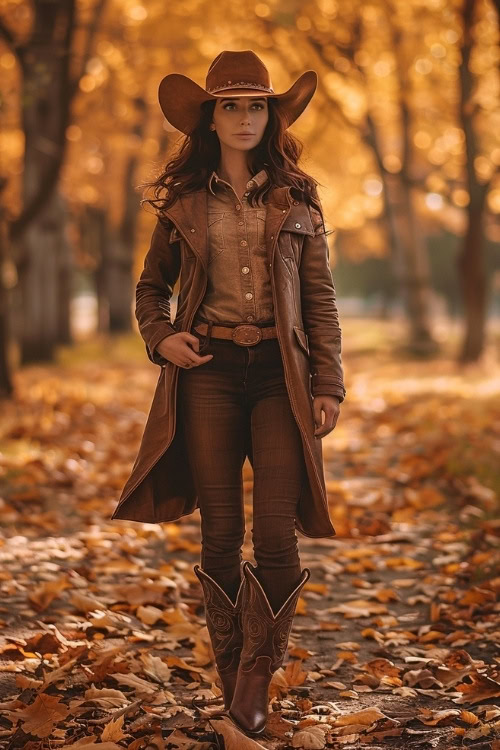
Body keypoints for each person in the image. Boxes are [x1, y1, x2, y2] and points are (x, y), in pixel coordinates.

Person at [111, 49, 346, 736]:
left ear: (272, 115)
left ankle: (254, 683)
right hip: (207, 371)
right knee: (219, 535)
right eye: (231, 105)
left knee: (275, 533)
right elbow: (149, 289)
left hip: (282, 375)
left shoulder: (298, 196)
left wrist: (328, 379)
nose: (245, 117)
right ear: (210, 118)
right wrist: (160, 337)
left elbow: (320, 297)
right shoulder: (181, 200)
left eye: (256, 105)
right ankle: (234, 686)